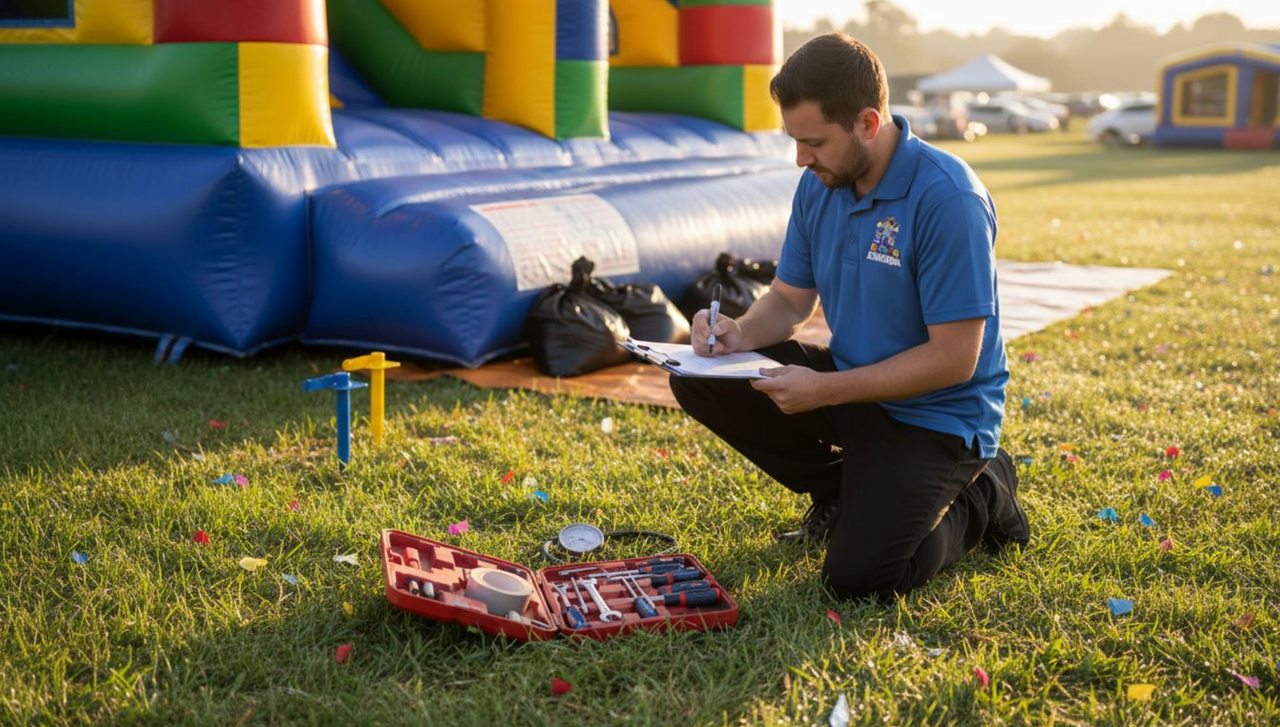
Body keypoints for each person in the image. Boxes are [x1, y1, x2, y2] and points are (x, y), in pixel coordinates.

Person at [671, 33, 1029, 601]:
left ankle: (984, 494)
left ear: (867, 122)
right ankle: (847, 490)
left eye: (813, 141)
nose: (800, 159)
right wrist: (736, 332)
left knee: (860, 579)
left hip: (937, 418)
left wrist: (826, 389)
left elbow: (955, 360)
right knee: (698, 379)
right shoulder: (820, 184)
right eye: (795, 141)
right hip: (852, 389)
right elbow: (790, 302)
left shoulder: (948, 199)